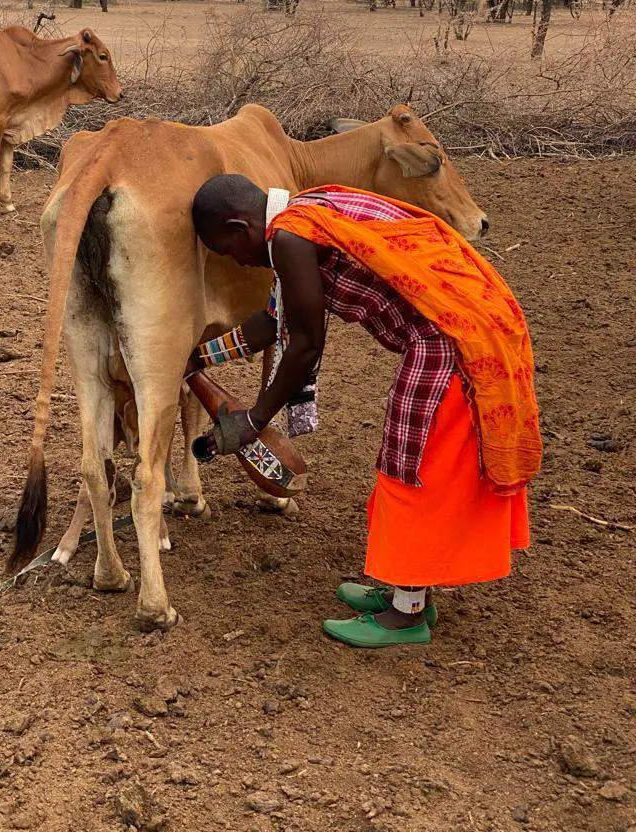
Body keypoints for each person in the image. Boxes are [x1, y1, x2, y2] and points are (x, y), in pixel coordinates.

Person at [186, 175, 541, 648]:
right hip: (461, 328)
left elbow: (305, 346)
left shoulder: (290, 238)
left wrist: (255, 420)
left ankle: (406, 615)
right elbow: (275, 322)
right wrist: (200, 356)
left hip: (448, 342)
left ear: (239, 225)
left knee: (412, 469)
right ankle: (409, 590)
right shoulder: (302, 214)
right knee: (411, 463)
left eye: (229, 249)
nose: (239, 261)